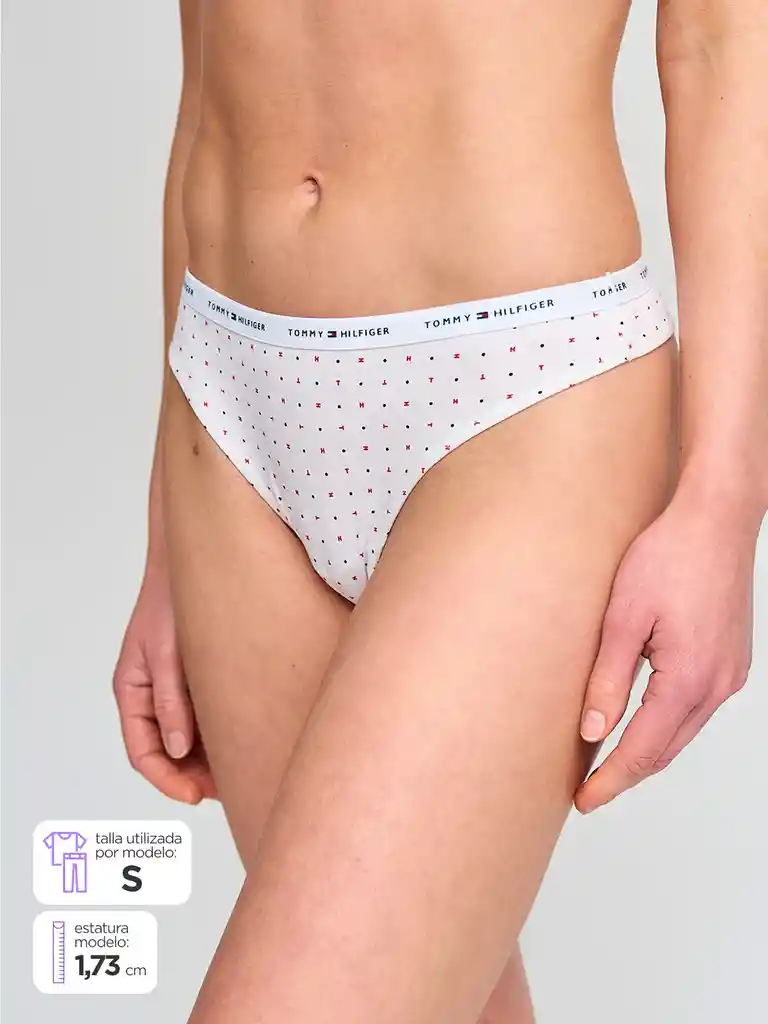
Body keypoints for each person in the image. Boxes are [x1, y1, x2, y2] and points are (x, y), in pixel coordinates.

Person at [112, 1, 767, 1021]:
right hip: (226, 406)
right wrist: (166, 535)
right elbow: (205, 57)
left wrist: (725, 501)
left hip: (521, 389)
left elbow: (723, 42)